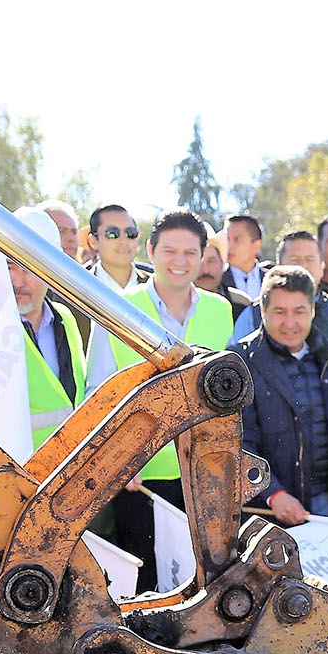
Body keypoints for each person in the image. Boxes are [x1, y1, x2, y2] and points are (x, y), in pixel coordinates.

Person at [84, 210, 235, 593]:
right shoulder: (119, 306)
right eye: (169, 250)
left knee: (201, 579)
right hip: (140, 473)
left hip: (203, 471)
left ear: (203, 256)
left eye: (190, 252)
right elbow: (97, 392)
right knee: (147, 581)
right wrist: (119, 458)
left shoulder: (220, 310)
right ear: (150, 251)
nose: (180, 261)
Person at [0, 209, 86, 654]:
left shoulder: (69, 325)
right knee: (9, 614)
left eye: (31, 266)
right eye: (10, 264)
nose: (21, 279)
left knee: (62, 610)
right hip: (9, 499)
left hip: (67, 497)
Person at [233, 266, 328, 523]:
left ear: (312, 311)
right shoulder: (240, 362)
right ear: (263, 311)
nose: (290, 323)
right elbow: (237, 443)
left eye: (299, 312)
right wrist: (273, 493)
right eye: (279, 312)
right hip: (268, 509)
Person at [83, 204, 152, 292]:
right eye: (112, 234)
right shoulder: (76, 287)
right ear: (93, 241)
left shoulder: (157, 289)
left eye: (130, 233)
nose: (124, 241)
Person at [220, 214, 266, 300]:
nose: (230, 246)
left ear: (256, 245)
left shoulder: (272, 281)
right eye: (227, 239)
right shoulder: (217, 282)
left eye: (237, 239)